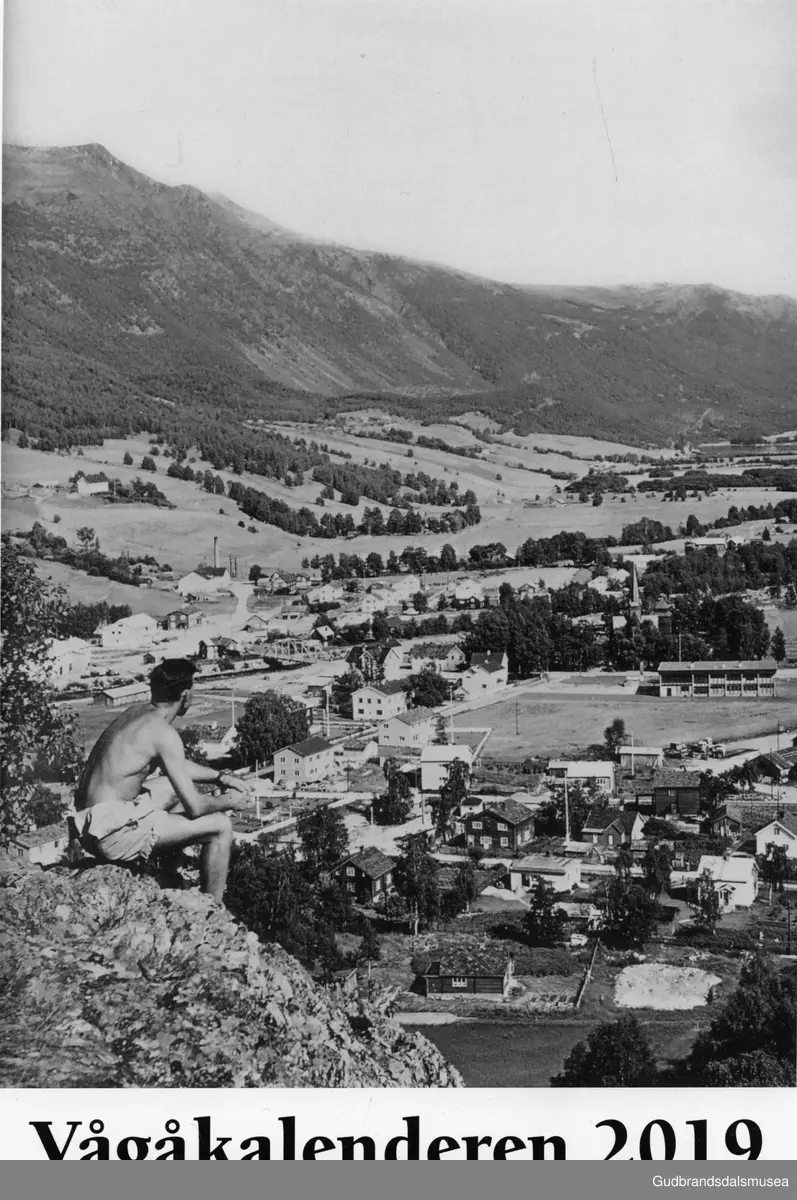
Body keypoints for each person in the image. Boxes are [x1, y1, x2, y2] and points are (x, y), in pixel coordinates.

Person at [73, 658, 251, 902]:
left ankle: (170, 877)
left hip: (89, 824)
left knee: (170, 788)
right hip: (110, 835)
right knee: (220, 826)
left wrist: (220, 777)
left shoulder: (135, 714)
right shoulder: (163, 733)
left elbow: (176, 766)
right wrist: (231, 800)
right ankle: (212, 909)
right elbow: (196, 807)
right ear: (186, 695)